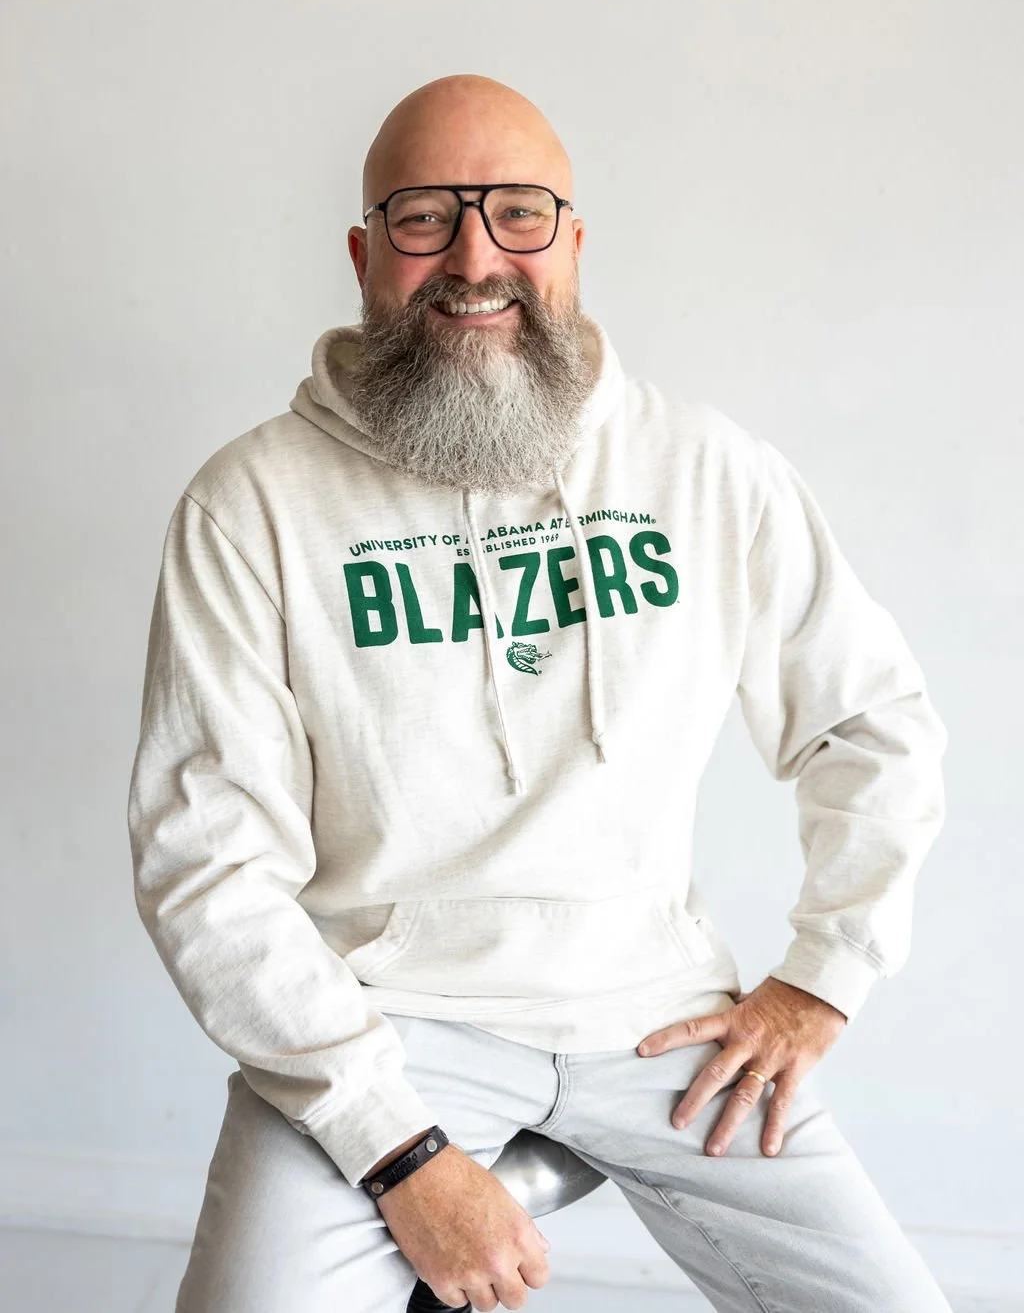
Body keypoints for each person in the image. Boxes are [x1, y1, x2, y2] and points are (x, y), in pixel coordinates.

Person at [127, 73, 952, 1313]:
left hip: (663, 1021)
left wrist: (823, 973)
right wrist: (395, 1148)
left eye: (517, 212)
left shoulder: (704, 468)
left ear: (571, 242)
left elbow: (869, 722)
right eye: (423, 217)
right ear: (363, 254)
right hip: (384, 1026)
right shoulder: (252, 504)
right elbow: (206, 863)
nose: (474, 258)